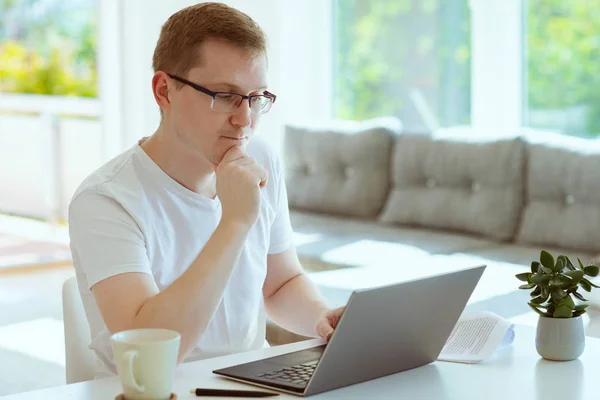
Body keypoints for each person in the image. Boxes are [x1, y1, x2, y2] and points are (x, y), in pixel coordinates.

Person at [68, 2, 344, 378]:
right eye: (225, 95)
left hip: (250, 381)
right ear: (164, 91)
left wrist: (321, 319)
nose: (245, 119)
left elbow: (279, 284)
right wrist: (234, 223)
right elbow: (148, 354)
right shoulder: (106, 200)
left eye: (256, 97)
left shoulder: (260, 158)